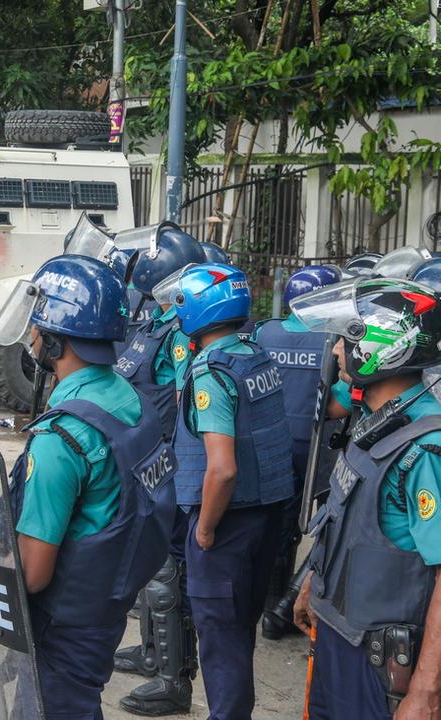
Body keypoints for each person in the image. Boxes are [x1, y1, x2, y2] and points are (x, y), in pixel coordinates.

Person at [0, 253, 177, 718]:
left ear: (56, 342)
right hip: (109, 600)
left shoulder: (60, 440)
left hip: (65, 619)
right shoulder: (131, 399)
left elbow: (34, 573)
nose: (32, 335)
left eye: (38, 326)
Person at [290, 277, 441, 720]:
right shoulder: (376, 420)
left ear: (383, 345)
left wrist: (426, 693)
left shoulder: (425, 450)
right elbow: (346, 515)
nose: (337, 351)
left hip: (381, 663)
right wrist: (313, 587)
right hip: (341, 635)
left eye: (345, 339)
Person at [170, 262, 293, 720]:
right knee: (239, 631)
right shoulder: (255, 354)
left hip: (226, 522)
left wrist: (204, 529)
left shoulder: (211, 372)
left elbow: (221, 470)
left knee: (220, 642)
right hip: (266, 517)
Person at [111, 228, 206, 716]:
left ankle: (173, 680)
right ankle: (151, 653)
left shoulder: (181, 333)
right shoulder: (155, 323)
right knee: (148, 565)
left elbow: (186, 404)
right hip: (143, 459)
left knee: (167, 574)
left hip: (166, 465)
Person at [251, 264, 342, 640]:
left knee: (278, 524)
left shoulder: (265, 332)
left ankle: (270, 603)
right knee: (326, 528)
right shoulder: (335, 340)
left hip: (272, 446)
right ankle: (289, 607)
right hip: (321, 451)